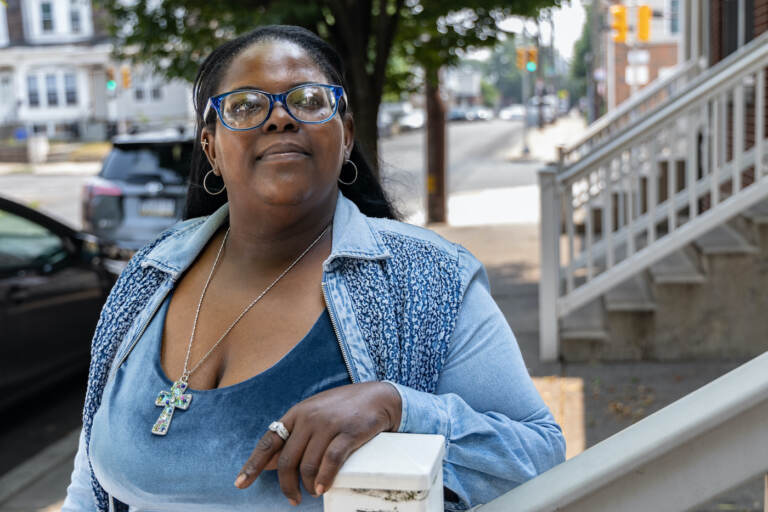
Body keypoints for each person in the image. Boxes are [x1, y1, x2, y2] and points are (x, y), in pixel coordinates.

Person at [62, 24, 565, 512]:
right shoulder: (148, 278)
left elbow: (539, 456)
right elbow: (90, 480)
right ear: (211, 146)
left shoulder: (427, 279)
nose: (279, 118)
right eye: (246, 106)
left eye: (306, 100)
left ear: (345, 135)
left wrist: (398, 408)